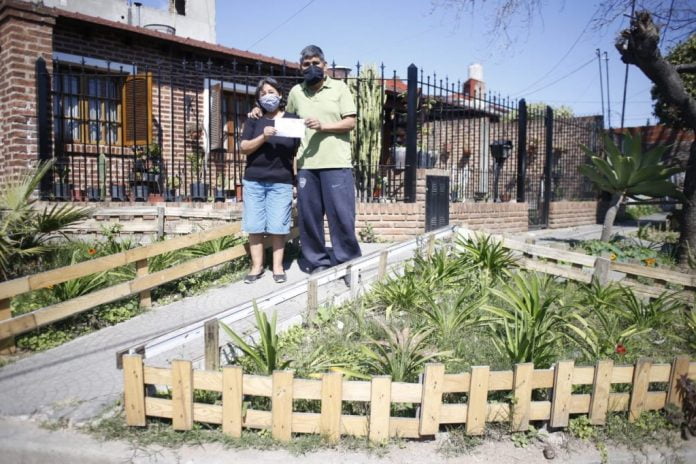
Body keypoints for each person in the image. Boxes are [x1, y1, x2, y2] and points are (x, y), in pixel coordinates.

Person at [252, 45, 361, 274]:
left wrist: (324, 126)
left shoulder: (340, 88)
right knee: (309, 219)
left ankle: (349, 262)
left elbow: (350, 122)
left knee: (341, 216)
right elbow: (285, 118)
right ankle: (318, 262)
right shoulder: (295, 93)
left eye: (316, 63)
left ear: (325, 65)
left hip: (336, 164)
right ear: (300, 67)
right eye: (306, 64)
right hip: (306, 166)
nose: (312, 67)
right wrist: (257, 110)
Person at [239, 77, 299, 284]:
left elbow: (298, 152)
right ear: (258, 99)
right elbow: (244, 147)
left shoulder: (292, 120)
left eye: (271, 91)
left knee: (278, 226)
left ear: (280, 94)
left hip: (281, 181)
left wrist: (296, 179)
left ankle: (277, 267)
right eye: (262, 93)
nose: (267, 96)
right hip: (254, 180)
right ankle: (256, 268)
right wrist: (262, 137)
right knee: (254, 225)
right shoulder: (254, 119)